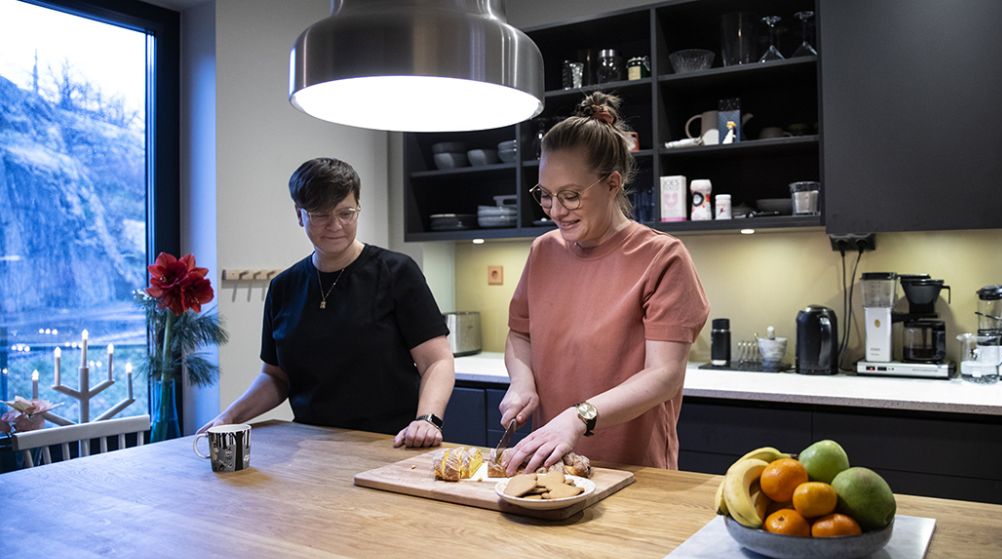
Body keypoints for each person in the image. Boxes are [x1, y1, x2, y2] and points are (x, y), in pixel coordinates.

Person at [501, 93, 710, 474]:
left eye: (570, 195)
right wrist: (521, 382)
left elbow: (664, 375)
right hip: (553, 462)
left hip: (636, 471)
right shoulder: (542, 252)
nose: (556, 210)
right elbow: (520, 336)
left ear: (612, 183)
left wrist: (579, 417)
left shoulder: (663, 258)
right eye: (545, 196)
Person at [201, 158, 454, 448]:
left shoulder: (396, 272)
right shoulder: (284, 288)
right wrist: (229, 417)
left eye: (346, 213)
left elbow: (436, 360)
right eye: (321, 214)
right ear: (300, 214)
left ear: (358, 208)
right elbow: (275, 377)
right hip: (309, 446)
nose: (336, 225)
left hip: (390, 442)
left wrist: (427, 420)